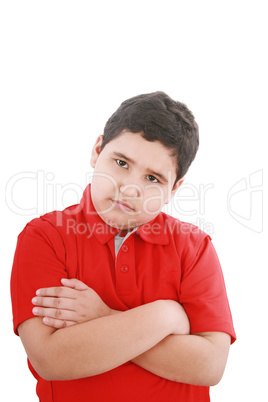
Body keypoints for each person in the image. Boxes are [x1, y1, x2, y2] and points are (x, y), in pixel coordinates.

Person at [10, 91, 236, 402]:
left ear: (175, 188)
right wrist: (165, 317)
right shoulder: (45, 237)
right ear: (96, 150)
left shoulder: (194, 248)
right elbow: (51, 359)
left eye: (153, 179)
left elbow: (210, 366)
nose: (130, 188)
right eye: (120, 162)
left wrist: (102, 315)